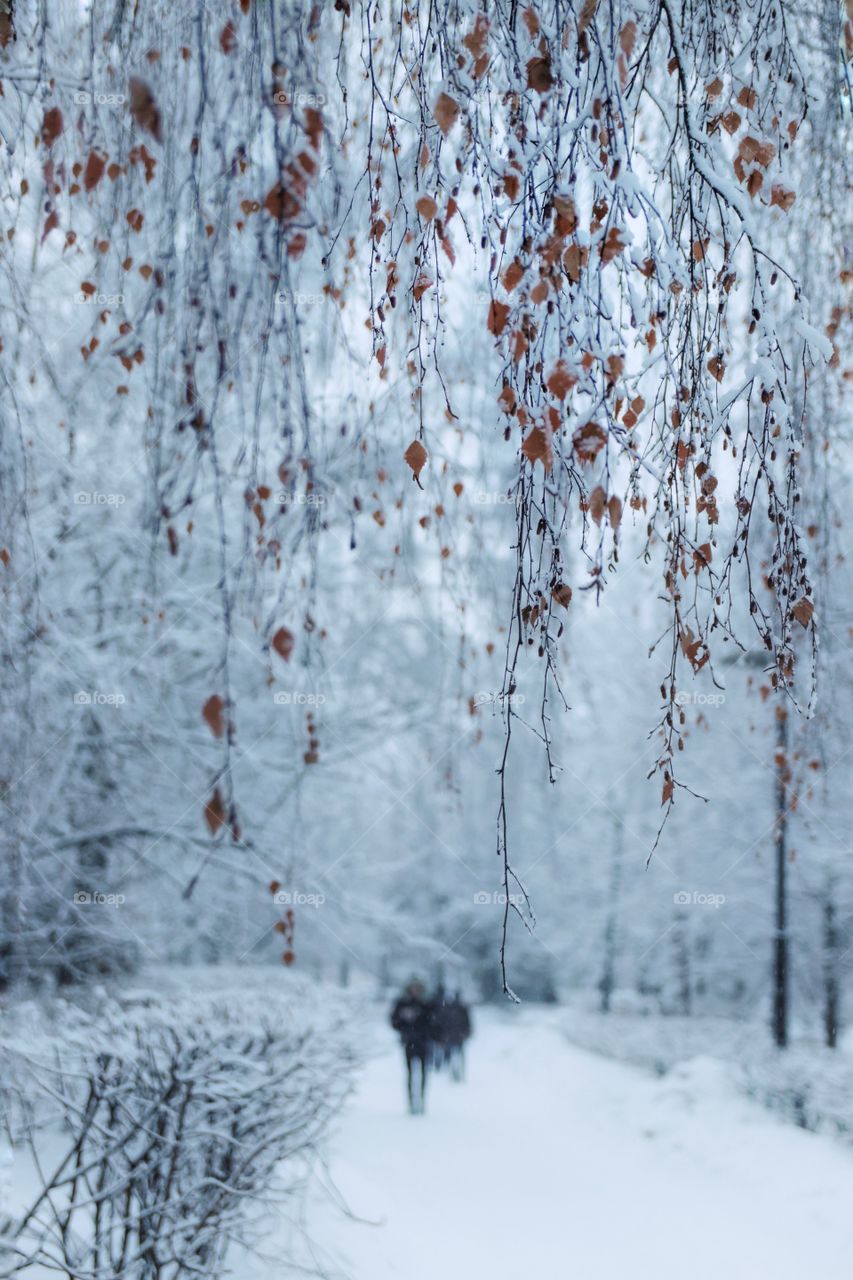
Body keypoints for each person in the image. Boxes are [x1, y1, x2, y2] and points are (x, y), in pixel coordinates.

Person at [390, 979, 433, 1114]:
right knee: (409, 1074)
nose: (415, 991)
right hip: (409, 1043)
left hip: (423, 1043)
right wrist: (404, 1019)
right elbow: (394, 1022)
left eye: (417, 988)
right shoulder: (402, 1004)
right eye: (413, 988)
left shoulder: (426, 1004)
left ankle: (421, 1100)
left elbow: (434, 1022)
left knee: (423, 1073)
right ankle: (410, 1102)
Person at [444, 991, 472, 1081]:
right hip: (456, 1036)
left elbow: (467, 1022)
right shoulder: (459, 1008)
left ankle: (457, 1074)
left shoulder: (454, 1008)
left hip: (456, 1036)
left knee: (455, 1056)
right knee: (456, 1056)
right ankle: (456, 1074)